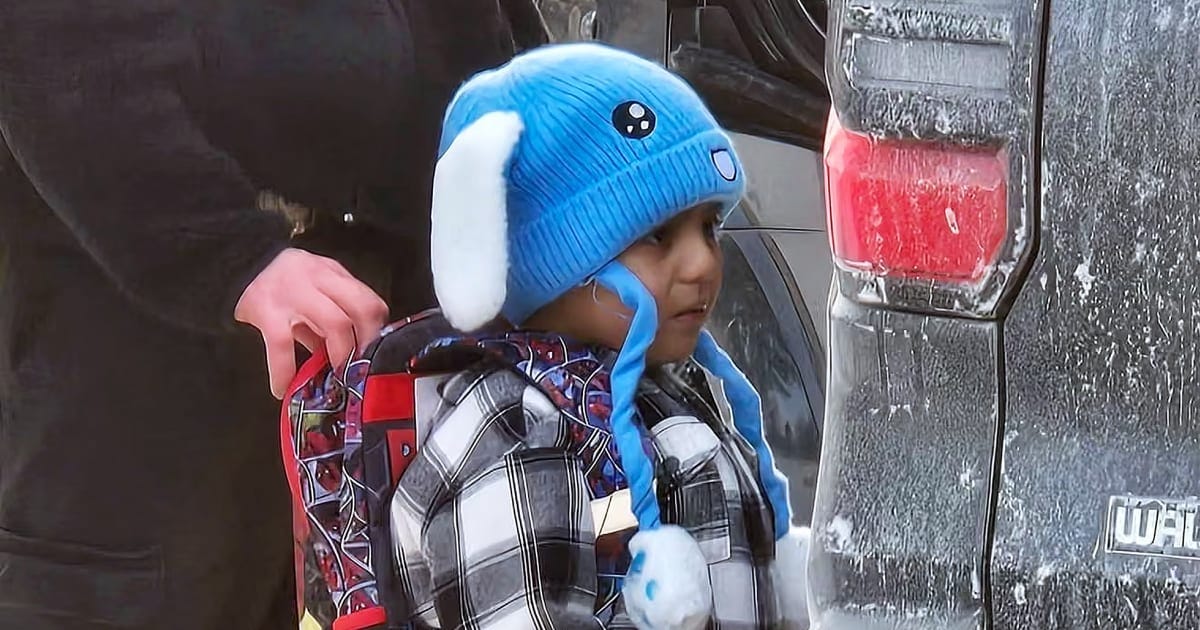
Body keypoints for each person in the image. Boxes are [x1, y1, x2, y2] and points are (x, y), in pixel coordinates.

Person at [0, 2, 545, 628]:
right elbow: (54, 61)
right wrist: (229, 255)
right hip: (139, 393)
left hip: (398, 376)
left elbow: (505, 68)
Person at [387, 43, 811, 629]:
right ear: (558, 262)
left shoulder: (662, 390)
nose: (703, 264)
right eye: (658, 235)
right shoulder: (520, 432)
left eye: (709, 227)